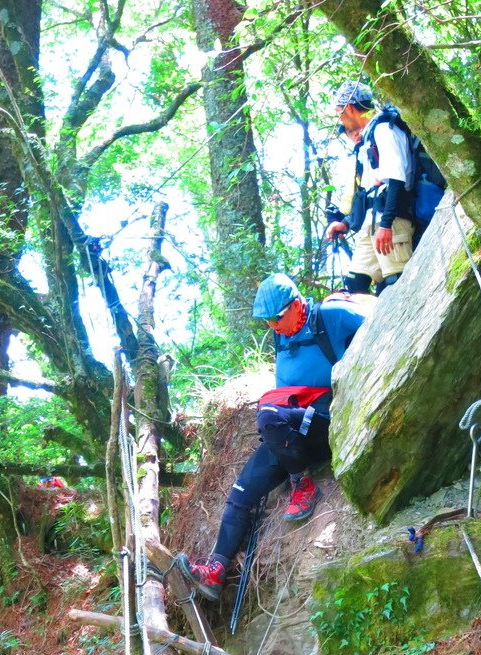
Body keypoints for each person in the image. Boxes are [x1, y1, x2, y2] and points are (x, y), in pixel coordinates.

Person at [178, 273, 365, 600]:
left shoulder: (330, 317)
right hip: (291, 426)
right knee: (241, 489)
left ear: (296, 304)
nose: (272, 326)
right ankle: (215, 570)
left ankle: (303, 485)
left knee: (268, 414)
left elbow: (382, 325)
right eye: (266, 321)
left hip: (325, 420)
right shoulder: (283, 333)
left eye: (276, 318)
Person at [327, 81, 414, 295]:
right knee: (355, 286)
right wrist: (345, 224)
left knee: (397, 286)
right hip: (372, 225)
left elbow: (396, 179)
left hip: (391, 224)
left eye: (339, 113)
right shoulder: (368, 137)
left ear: (349, 108)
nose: (340, 120)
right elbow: (368, 194)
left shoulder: (384, 129)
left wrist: (385, 224)